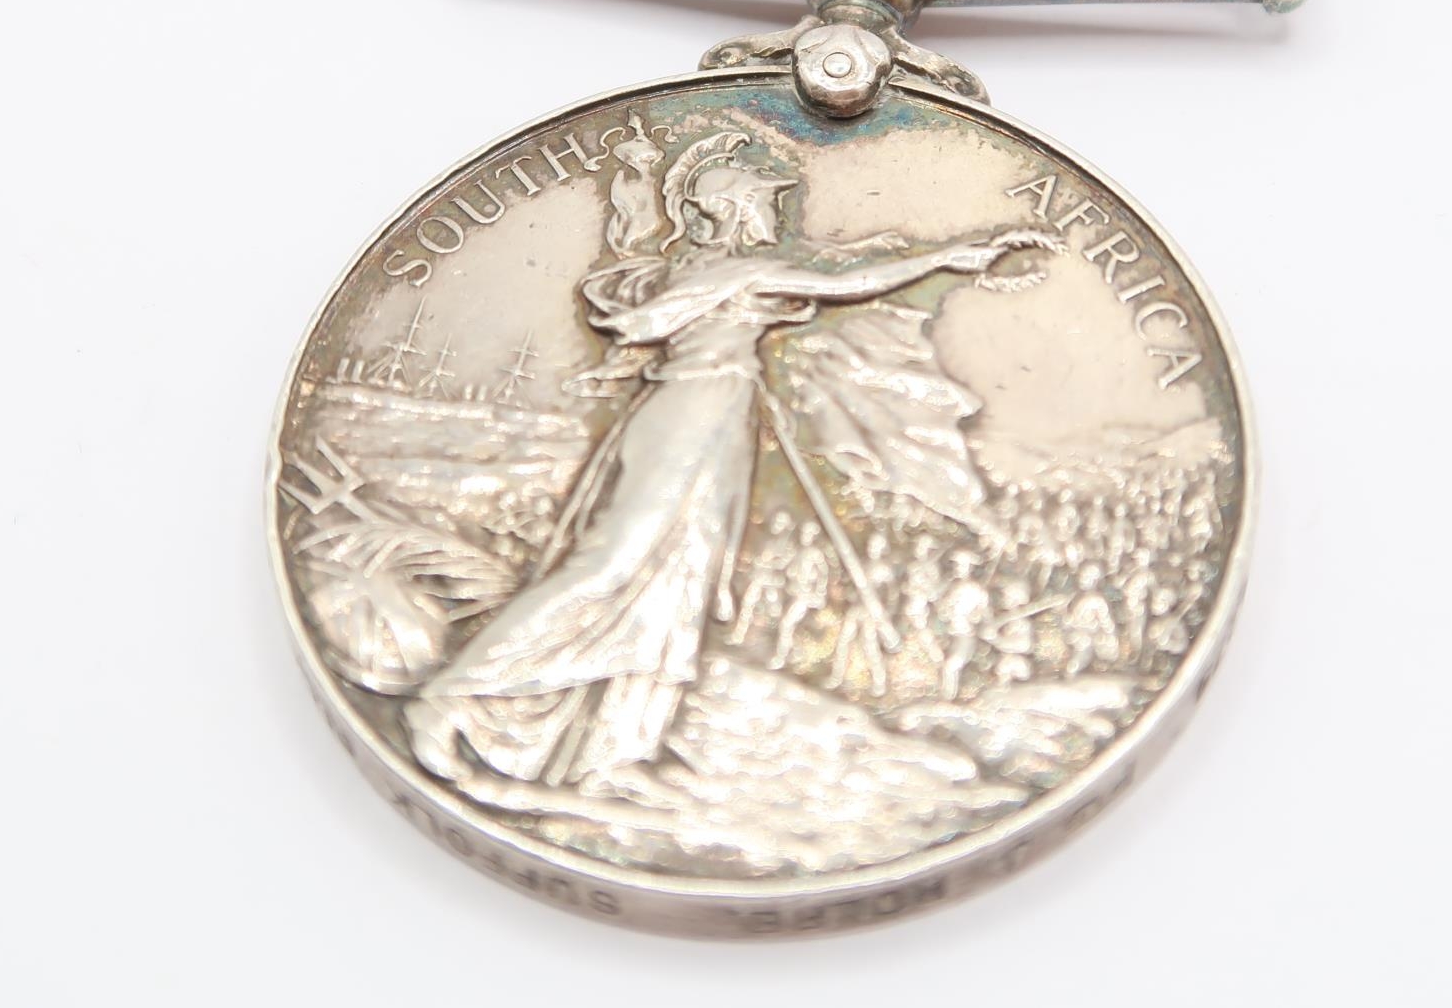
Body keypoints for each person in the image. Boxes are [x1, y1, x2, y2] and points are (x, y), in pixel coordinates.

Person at [403, 128, 1053, 789]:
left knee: (684, 577)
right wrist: (952, 256)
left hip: (719, 419)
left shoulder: (718, 273)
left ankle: (618, 753)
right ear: (733, 208)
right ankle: (453, 695)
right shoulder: (732, 273)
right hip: (687, 414)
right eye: (764, 200)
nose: (775, 212)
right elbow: (853, 280)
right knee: (615, 564)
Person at [828, 531, 896, 697]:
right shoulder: (861, 564)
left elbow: (892, 594)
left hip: (871, 612)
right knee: (843, 641)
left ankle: (879, 682)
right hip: (857, 607)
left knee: (870, 646)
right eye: (871, 544)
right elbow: (851, 587)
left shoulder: (884, 569)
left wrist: (885, 612)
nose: (872, 548)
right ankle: (836, 677)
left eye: (876, 545)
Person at [726, 508, 794, 646]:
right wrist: (756, 562)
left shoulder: (788, 545)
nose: (776, 524)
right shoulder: (768, 540)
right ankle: (739, 635)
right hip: (759, 578)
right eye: (776, 520)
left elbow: (784, 564)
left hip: (772, 582)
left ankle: (784, 642)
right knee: (747, 604)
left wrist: (767, 563)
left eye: (780, 522)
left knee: (777, 611)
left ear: (786, 526)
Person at [772, 521, 831, 671]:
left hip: (804, 597)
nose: (805, 536)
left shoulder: (815, 554)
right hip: (793, 593)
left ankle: (782, 657)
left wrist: (819, 592)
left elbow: (823, 573)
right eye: (803, 533)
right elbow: (783, 566)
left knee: (786, 624)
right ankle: (797, 652)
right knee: (788, 625)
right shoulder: (797, 551)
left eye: (808, 534)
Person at [936, 550, 991, 697]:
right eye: (957, 565)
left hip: (965, 634)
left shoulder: (976, 590)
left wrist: (975, 615)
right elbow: (942, 609)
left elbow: (983, 613)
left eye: (962, 565)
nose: (958, 568)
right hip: (950, 633)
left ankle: (949, 697)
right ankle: (947, 695)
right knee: (945, 664)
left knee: (951, 665)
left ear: (970, 568)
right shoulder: (950, 587)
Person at [1063, 562, 1121, 676]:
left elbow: (1106, 622)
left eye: (1086, 577)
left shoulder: (1097, 601)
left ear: (1094, 581)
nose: (1082, 579)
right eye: (1081, 576)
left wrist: (1110, 634)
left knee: (1090, 643)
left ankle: (1091, 664)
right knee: (1082, 643)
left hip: (1089, 635)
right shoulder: (1076, 597)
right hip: (1078, 633)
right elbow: (1073, 619)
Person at [988, 579, 1038, 684]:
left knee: (1005, 667)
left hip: (1017, 663)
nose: (1003, 599)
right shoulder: (1006, 619)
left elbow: (1024, 645)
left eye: (1007, 596)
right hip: (1006, 660)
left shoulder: (1022, 624)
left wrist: (995, 640)